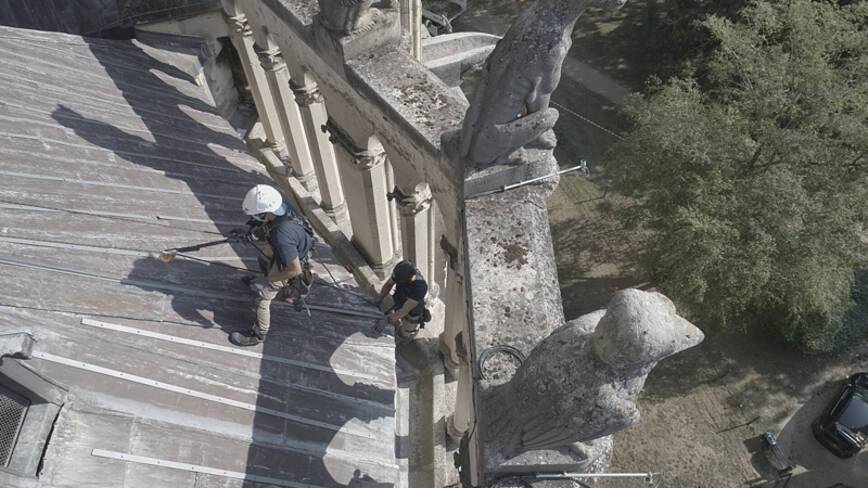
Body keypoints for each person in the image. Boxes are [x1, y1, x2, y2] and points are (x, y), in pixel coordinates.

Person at [230, 184, 313, 347]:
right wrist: (252, 235)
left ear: (267, 212)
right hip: (289, 248)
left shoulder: (282, 235)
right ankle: (282, 288)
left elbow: (295, 268)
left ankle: (257, 335)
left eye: (258, 214)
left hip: (290, 264)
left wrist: (270, 279)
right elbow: (268, 226)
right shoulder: (282, 205)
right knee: (264, 257)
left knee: (263, 297)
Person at [377, 260, 429, 341]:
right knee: (386, 308)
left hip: (412, 308)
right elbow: (389, 284)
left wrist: (387, 320)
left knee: (405, 332)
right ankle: (395, 318)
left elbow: (405, 310)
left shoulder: (420, 287)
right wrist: (380, 298)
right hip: (400, 296)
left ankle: (404, 337)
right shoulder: (401, 270)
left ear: (409, 279)